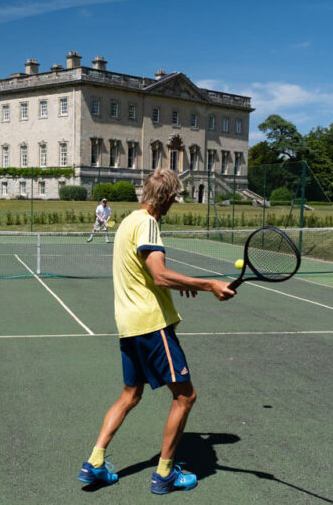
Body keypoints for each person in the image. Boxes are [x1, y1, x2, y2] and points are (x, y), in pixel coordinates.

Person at [77, 168, 235, 494]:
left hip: (128, 325)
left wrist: (179, 284)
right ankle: (164, 474)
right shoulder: (149, 223)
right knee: (185, 396)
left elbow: (147, 276)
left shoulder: (127, 223)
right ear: (165, 198)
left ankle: (94, 462)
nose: (174, 204)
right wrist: (209, 284)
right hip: (151, 325)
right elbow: (159, 275)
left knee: (130, 395)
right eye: (174, 198)